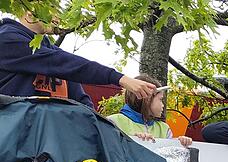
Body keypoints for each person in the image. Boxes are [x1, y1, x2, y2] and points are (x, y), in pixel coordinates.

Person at [0, 13, 155, 108]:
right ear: (29, 13)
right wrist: (118, 78)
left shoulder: (52, 52)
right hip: (14, 146)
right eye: (52, 10)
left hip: (50, 146)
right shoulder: (7, 40)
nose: (57, 17)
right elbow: (62, 63)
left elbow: (82, 102)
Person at [106, 74, 192, 146]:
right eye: (160, 99)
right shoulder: (113, 121)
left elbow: (169, 157)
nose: (163, 105)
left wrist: (180, 144)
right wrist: (133, 141)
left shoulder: (164, 128)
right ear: (147, 98)